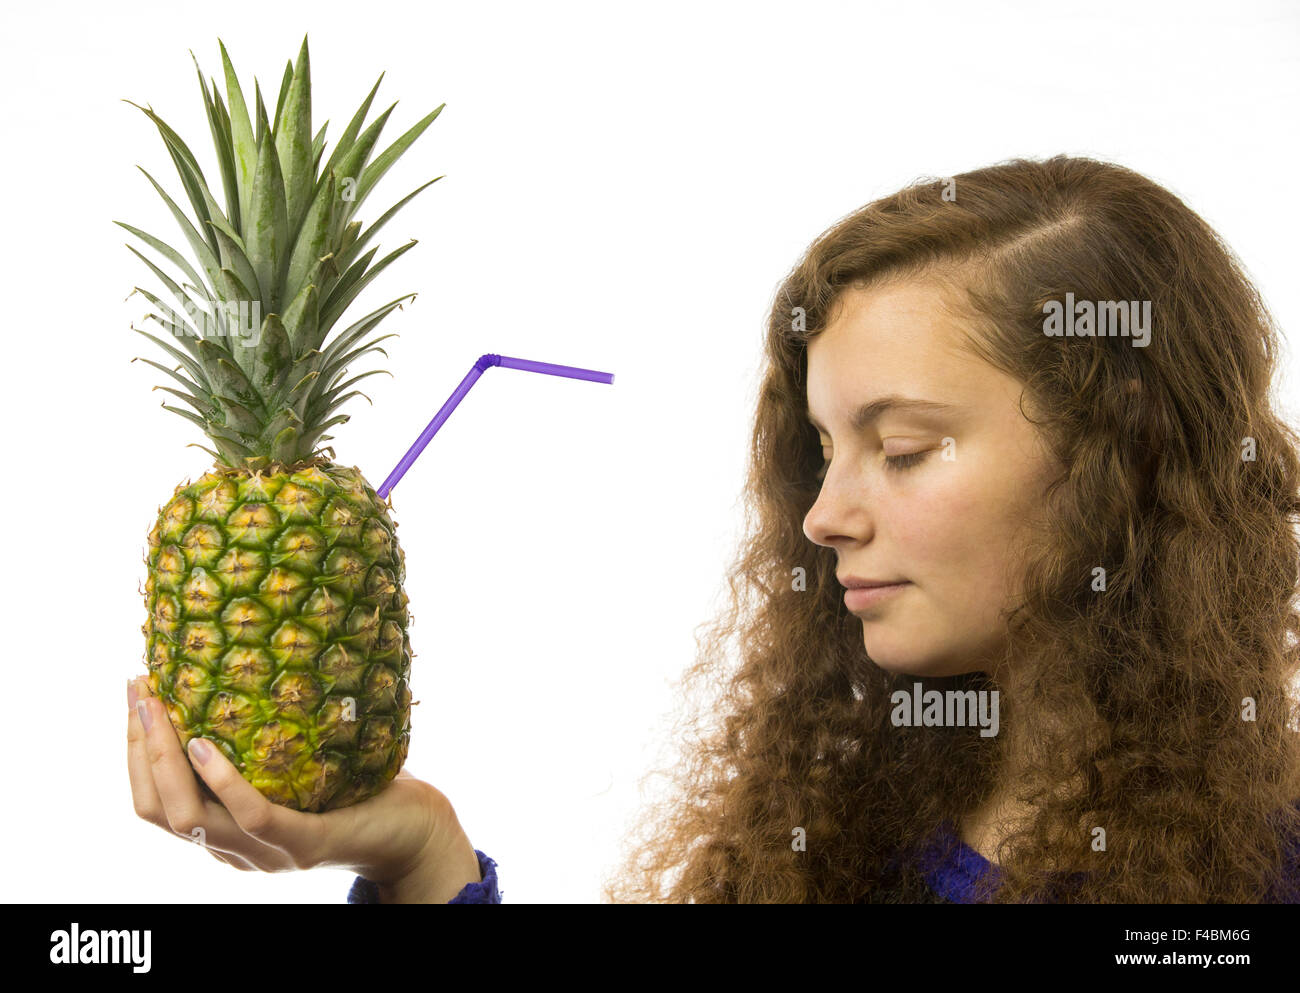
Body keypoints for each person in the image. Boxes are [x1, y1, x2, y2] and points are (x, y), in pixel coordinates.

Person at [129, 155, 1300, 902]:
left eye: (900, 451)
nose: (828, 516)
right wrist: (420, 854)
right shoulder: (846, 829)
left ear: (1123, 449)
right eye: (822, 451)